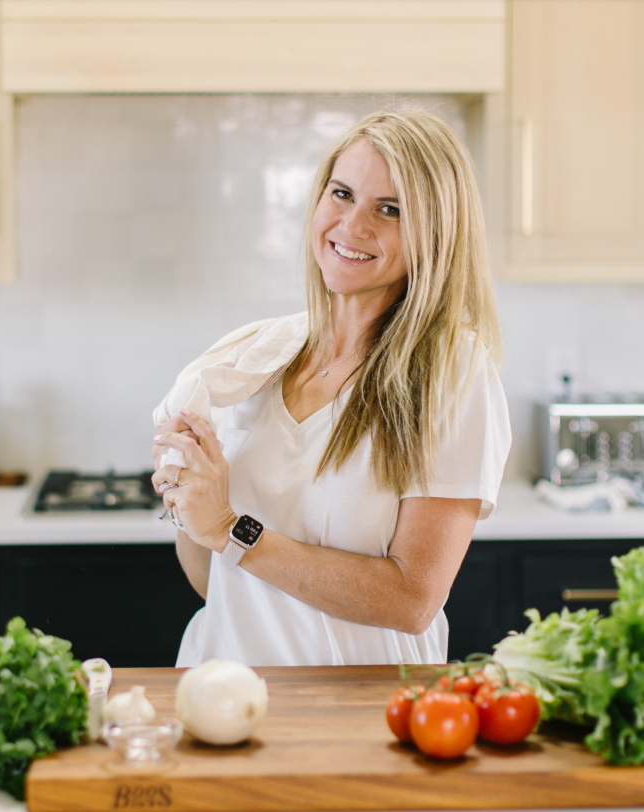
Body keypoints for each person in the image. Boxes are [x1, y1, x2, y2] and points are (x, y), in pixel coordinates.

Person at [152, 109, 511, 667]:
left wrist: (230, 529)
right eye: (341, 194)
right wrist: (191, 506)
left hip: (363, 721)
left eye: (389, 210)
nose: (353, 225)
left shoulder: (453, 373)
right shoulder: (254, 361)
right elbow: (217, 584)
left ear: (435, 235)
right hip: (221, 696)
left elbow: (412, 598)